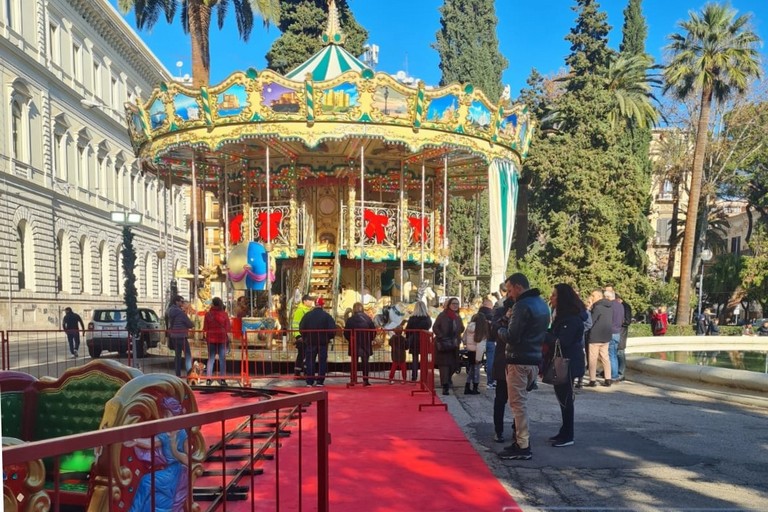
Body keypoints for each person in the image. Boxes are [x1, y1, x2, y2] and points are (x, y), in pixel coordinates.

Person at [497, 273, 549, 461]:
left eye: (510, 290)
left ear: (518, 287)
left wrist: (500, 329)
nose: (509, 295)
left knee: (518, 404)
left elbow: (512, 336)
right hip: (533, 359)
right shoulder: (542, 304)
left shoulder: (521, 305)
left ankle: (523, 445)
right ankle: (520, 440)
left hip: (518, 359)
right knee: (520, 403)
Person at [127, 397, 190, 511]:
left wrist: (175, 451)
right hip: (167, 470)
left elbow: (188, 460)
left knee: (146, 481)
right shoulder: (164, 434)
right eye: (164, 414)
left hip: (176, 471)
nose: (164, 417)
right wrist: (136, 441)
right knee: (147, 486)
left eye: (167, 414)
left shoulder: (182, 433)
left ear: (174, 414)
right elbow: (151, 443)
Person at [546, 283, 586, 447]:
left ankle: (568, 435)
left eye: (554, 295)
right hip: (563, 362)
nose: (551, 298)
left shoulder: (571, 319)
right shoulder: (562, 317)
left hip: (568, 363)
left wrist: (545, 336)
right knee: (562, 397)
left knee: (566, 399)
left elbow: (563, 341)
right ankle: (564, 430)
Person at [491, 299, 514, 443]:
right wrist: (505, 318)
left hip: (519, 358)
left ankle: (517, 429)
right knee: (500, 399)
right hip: (503, 359)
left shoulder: (525, 309)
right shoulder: (500, 310)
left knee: (518, 400)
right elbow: (493, 331)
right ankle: (498, 430)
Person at [299, 297, 336, 387]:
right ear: (322, 305)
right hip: (322, 342)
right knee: (322, 361)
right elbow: (332, 330)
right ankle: (320, 381)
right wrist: (328, 338)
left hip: (310, 341)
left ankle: (309, 381)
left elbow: (301, 327)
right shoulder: (327, 316)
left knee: (310, 361)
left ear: (315, 305)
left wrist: (305, 338)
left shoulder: (307, 315)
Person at [432, 297, 464, 396]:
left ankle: (448, 380)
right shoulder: (443, 315)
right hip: (444, 344)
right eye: (453, 303)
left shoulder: (457, 316)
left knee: (454, 365)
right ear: (449, 304)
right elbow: (435, 327)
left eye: (457, 304)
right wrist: (441, 336)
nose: (455, 305)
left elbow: (461, 328)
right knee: (444, 366)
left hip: (454, 344)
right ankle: (445, 386)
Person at [344, 302, 376, 386]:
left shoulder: (350, 320)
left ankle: (353, 379)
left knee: (354, 363)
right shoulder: (368, 319)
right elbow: (373, 331)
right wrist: (370, 339)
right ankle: (365, 380)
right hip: (365, 343)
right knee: (365, 362)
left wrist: (350, 339)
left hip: (354, 343)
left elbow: (346, 332)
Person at [587, 289, 613, 387]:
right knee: (605, 358)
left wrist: (589, 309)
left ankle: (592, 380)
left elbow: (591, 321)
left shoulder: (597, 308)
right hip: (606, 336)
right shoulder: (610, 307)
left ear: (598, 296)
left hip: (595, 336)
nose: (591, 297)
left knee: (593, 358)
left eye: (593, 296)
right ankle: (608, 378)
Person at [203, 297, 231, 386]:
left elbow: (205, 328)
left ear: (212, 304)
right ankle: (222, 379)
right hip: (222, 339)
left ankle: (208, 378)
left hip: (211, 339)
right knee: (222, 360)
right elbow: (227, 328)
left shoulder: (208, 314)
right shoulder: (225, 314)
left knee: (211, 359)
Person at [166, 295, 195, 377]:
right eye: (181, 302)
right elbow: (189, 324)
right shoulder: (180, 312)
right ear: (176, 302)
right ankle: (189, 374)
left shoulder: (169, 311)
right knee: (188, 355)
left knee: (177, 356)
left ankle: (177, 375)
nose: (183, 303)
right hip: (181, 336)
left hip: (173, 336)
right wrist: (192, 323)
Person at [405, 300, 432, 381]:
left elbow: (407, 330)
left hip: (414, 340)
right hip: (424, 339)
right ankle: (424, 376)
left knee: (415, 359)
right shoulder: (427, 318)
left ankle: (414, 376)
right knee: (424, 359)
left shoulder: (412, 318)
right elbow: (429, 326)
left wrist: (408, 339)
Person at [462, 312, 489, 395]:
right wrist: (478, 358)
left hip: (470, 351)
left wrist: (467, 346)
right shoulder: (481, 329)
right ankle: (475, 388)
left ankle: (467, 386)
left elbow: (464, 339)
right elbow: (480, 346)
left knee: (471, 369)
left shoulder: (469, 327)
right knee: (476, 370)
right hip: (477, 352)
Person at [291, 294, 314, 377]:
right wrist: (298, 336)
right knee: (301, 354)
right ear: (304, 301)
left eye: (312, 300)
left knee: (306, 354)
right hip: (301, 337)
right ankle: (297, 372)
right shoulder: (300, 310)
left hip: (308, 336)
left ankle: (304, 371)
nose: (311, 302)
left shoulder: (309, 310)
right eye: (310, 300)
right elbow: (295, 324)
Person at [604, 289, 623, 382]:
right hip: (617, 332)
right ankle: (614, 375)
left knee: (610, 355)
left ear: (608, 297)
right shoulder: (620, 306)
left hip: (610, 332)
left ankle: (612, 375)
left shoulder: (609, 306)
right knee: (614, 354)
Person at [479, 298, 496, 388]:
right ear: (490, 306)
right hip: (490, 340)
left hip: (479, 340)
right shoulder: (492, 315)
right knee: (490, 361)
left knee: (476, 362)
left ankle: (474, 382)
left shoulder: (477, 315)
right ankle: (490, 381)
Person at [616, 294, 632, 382]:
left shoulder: (625, 307)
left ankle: (621, 373)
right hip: (616, 332)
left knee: (620, 352)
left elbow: (627, 321)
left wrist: (617, 322)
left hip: (621, 332)